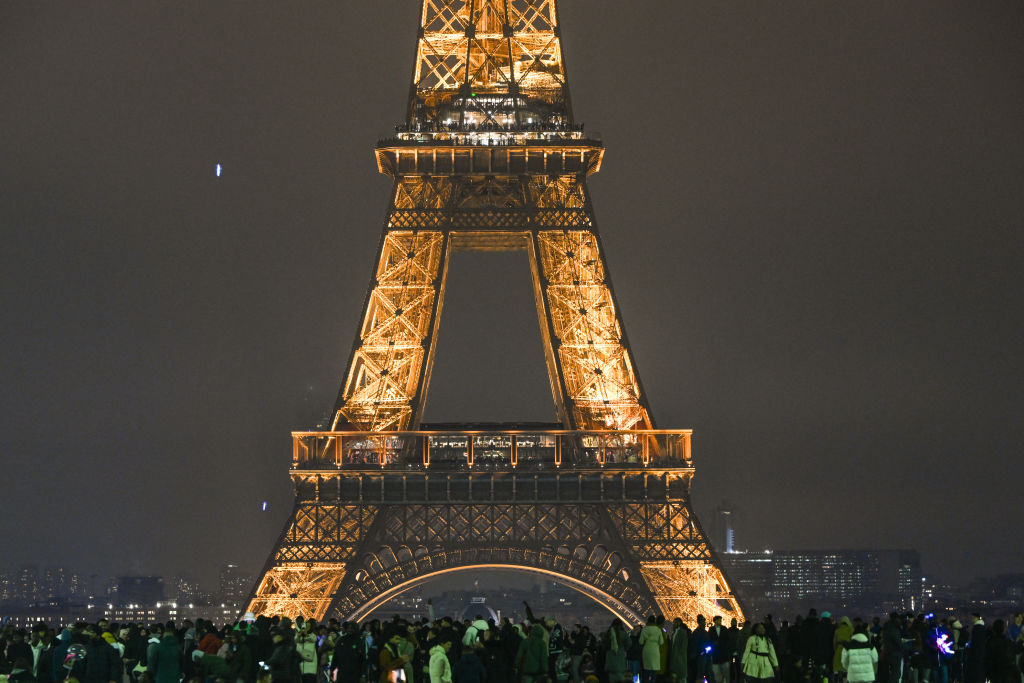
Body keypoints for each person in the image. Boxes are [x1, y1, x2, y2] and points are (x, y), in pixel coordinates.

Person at [639, 615, 664, 683]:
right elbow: (661, 642)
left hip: (646, 651)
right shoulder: (658, 630)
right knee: (654, 673)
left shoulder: (645, 629)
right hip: (655, 652)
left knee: (646, 672)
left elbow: (640, 642)